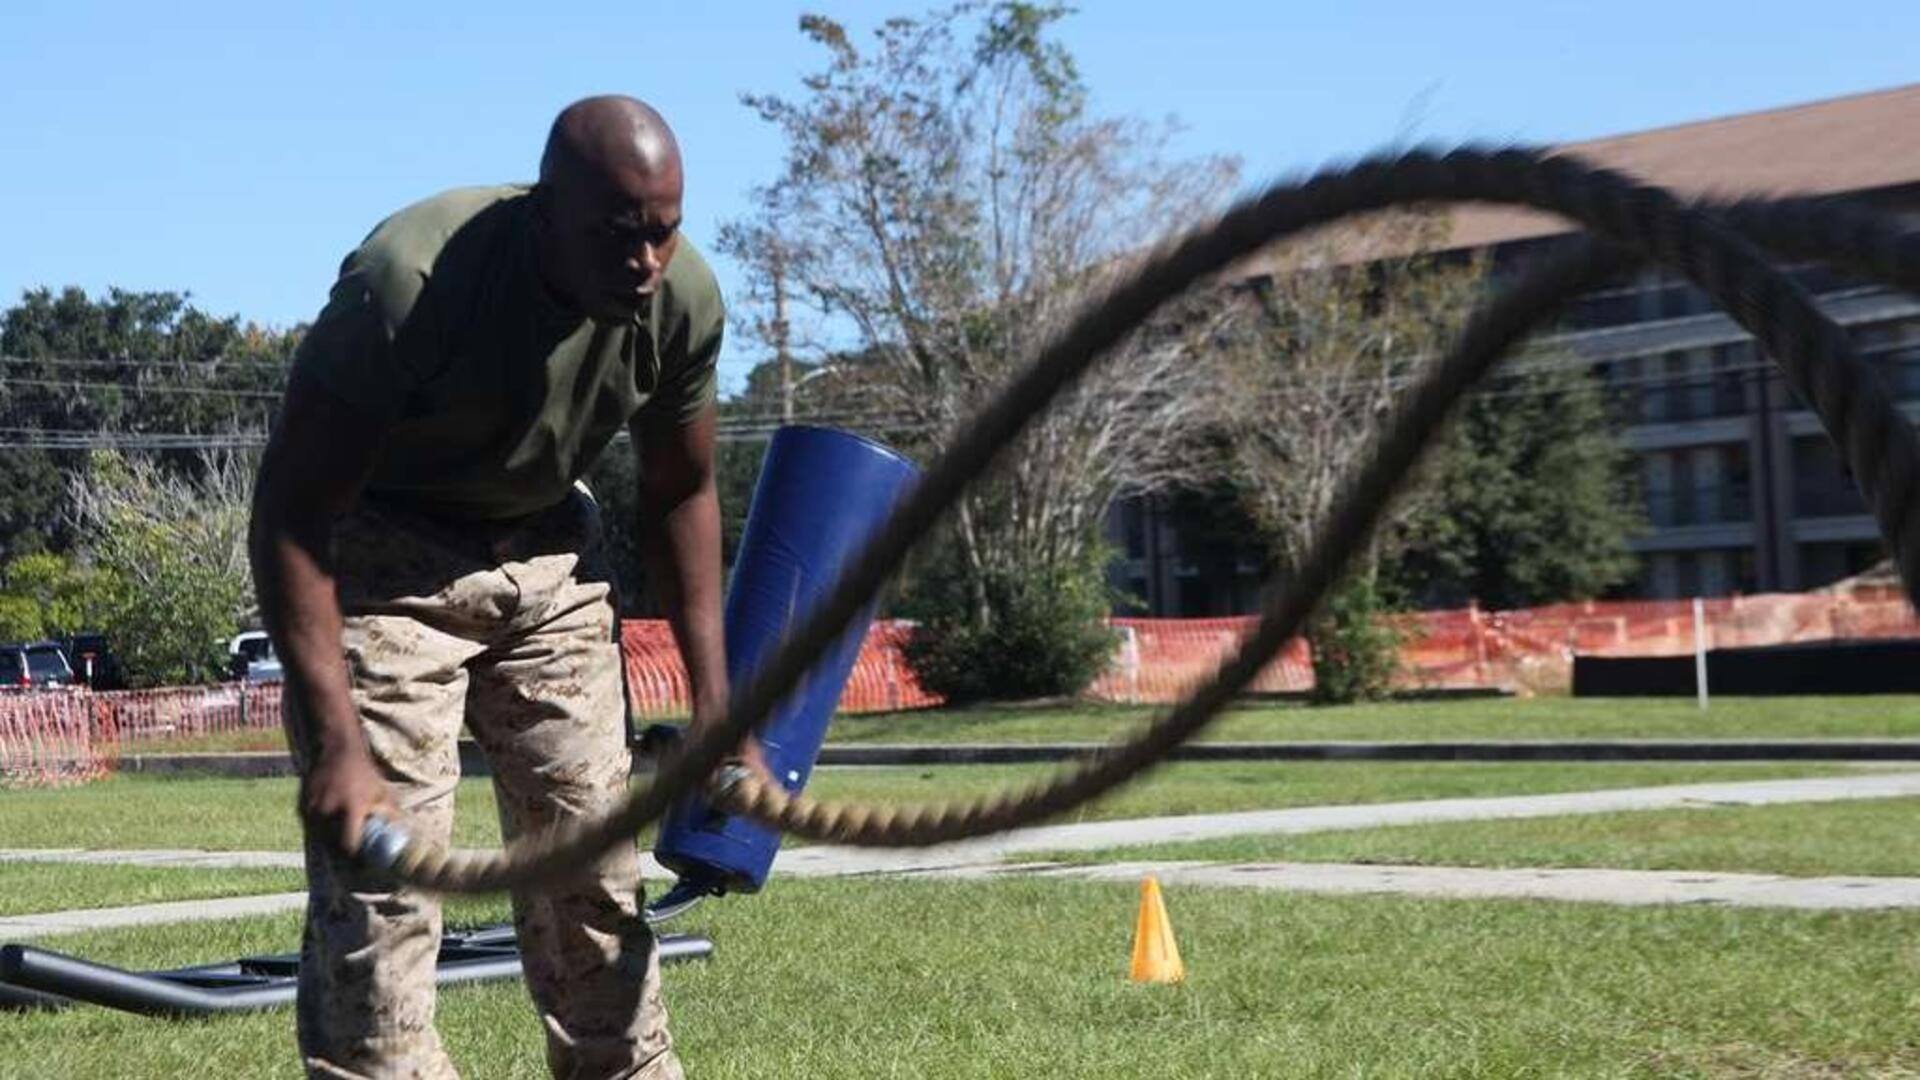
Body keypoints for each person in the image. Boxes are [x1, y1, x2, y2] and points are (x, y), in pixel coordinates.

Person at [249, 94, 734, 1079]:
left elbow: (682, 491)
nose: (646, 265)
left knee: (595, 878)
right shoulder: (408, 284)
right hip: (385, 558)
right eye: (618, 236)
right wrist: (337, 746)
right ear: (545, 210)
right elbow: (290, 513)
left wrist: (719, 703)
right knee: (382, 892)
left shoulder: (680, 299)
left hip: (552, 549)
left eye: (665, 232)